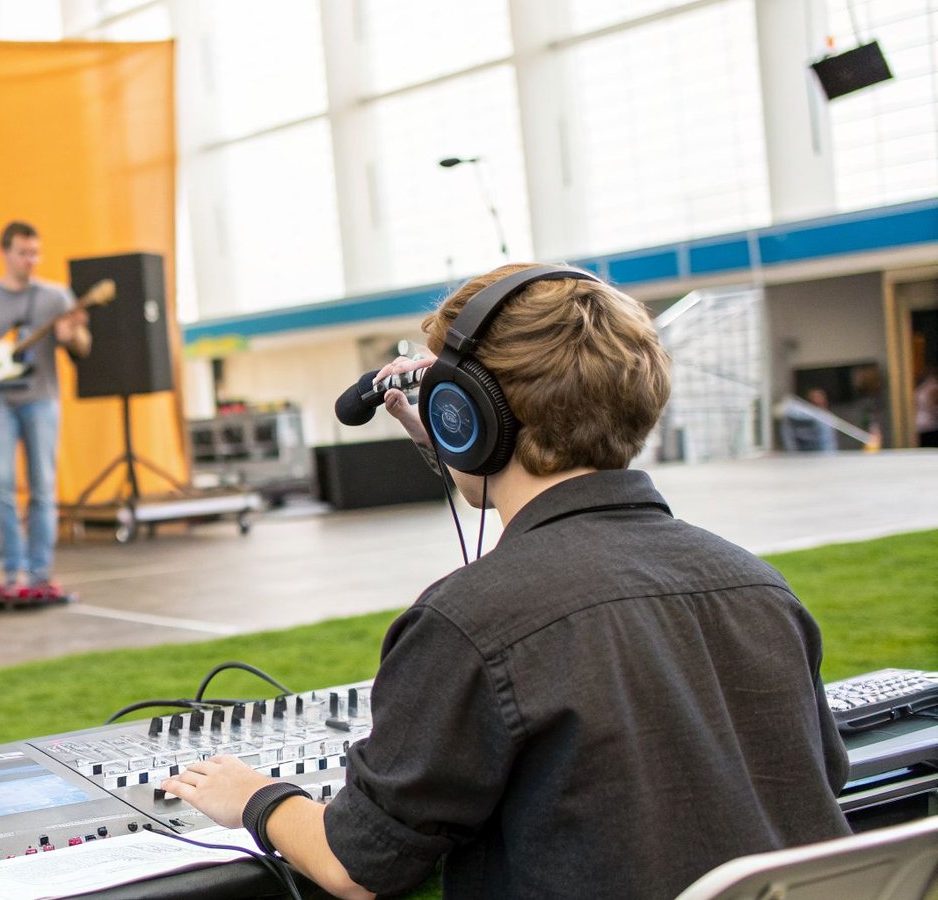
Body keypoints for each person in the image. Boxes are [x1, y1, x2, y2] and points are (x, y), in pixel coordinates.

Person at [161, 263, 850, 899]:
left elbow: (356, 864)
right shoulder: (758, 585)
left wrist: (255, 795)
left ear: (468, 418)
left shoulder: (473, 621)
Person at [0, 221, 90, 596]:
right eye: (24, 253)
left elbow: (83, 348)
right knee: (3, 486)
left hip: (41, 398)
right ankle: (14, 573)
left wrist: (71, 336)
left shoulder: (56, 298)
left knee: (43, 486)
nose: (31, 260)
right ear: (5, 253)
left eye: (36, 253)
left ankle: (40, 573)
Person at [916, 370, 938, 448]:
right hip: (930, 425)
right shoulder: (932, 387)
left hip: (920, 424)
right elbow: (931, 406)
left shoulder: (919, 389)